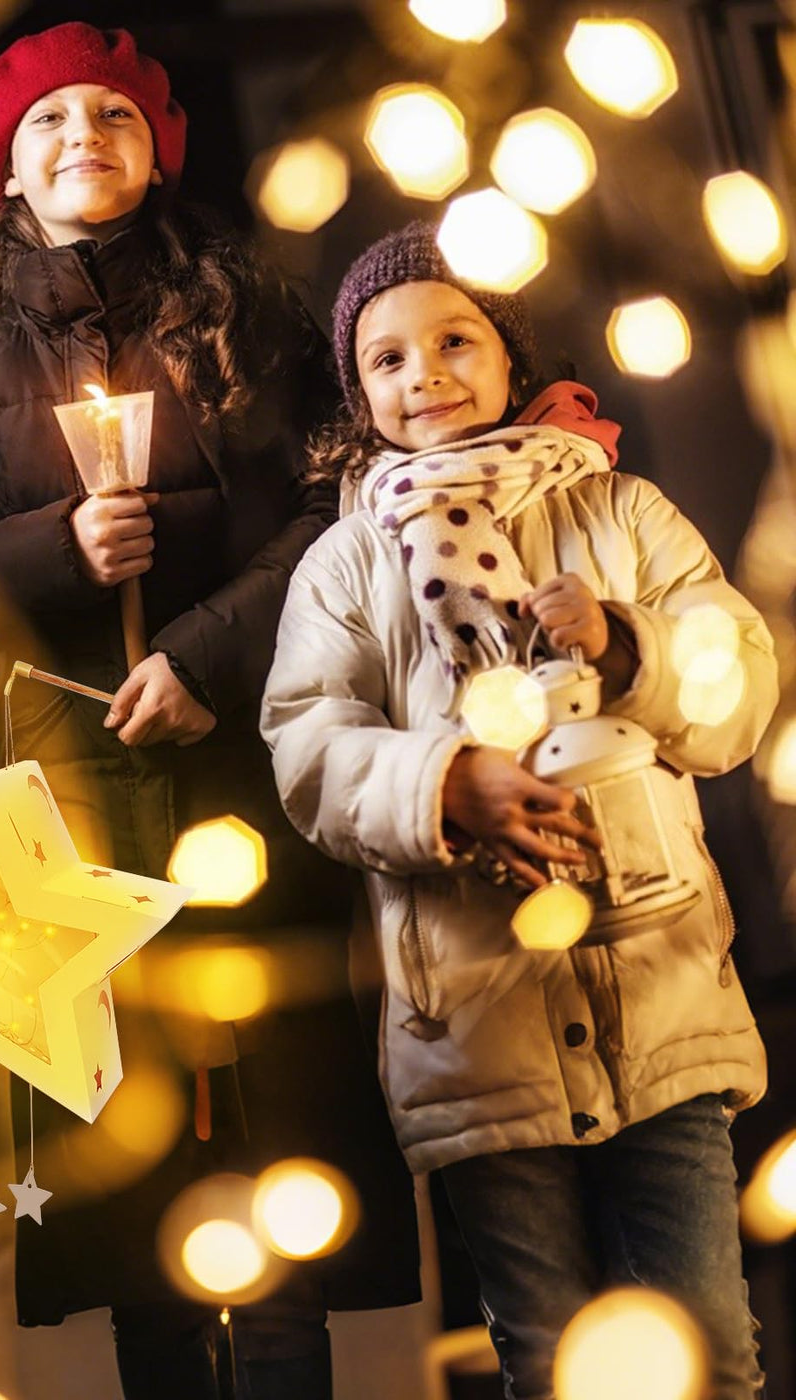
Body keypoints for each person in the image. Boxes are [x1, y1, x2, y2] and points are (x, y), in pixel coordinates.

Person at [0, 22, 419, 1397]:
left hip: (243, 776)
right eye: (48, 120)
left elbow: (329, 506)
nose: (82, 140)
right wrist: (56, 550)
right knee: (128, 1170)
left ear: (157, 149)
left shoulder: (251, 321)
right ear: (6, 168)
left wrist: (199, 656)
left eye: (112, 115)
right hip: (72, 817)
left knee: (274, 1153)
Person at [261, 220, 776, 1399]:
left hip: (659, 993)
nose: (425, 374)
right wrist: (442, 780)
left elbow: (735, 683)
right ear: (358, 392)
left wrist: (631, 640)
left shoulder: (622, 512)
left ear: (508, 356)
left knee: (710, 1346)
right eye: (386, 360)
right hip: (474, 1018)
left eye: (454, 341)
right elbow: (306, 747)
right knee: (545, 1353)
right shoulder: (344, 563)